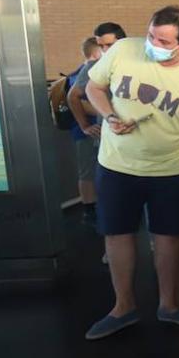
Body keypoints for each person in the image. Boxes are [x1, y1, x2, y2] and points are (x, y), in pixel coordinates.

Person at [82, 6, 179, 340]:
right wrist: (110, 116)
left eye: (162, 40)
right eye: (151, 35)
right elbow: (93, 88)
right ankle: (123, 307)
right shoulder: (124, 50)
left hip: (170, 170)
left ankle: (168, 305)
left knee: (168, 237)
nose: (153, 43)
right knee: (116, 233)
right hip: (116, 165)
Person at [67, 22, 127, 225]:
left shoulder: (136, 63)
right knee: (108, 190)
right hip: (107, 141)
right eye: (102, 46)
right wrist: (84, 125)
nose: (106, 50)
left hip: (135, 142)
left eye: (109, 45)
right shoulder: (95, 67)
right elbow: (73, 96)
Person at [66, 36, 103, 226]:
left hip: (86, 129)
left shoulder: (77, 72)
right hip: (89, 131)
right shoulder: (88, 72)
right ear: (96, 52)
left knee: (88, 170)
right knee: (88, 171)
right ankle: (89, 211)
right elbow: (77, 100)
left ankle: (91, 209)